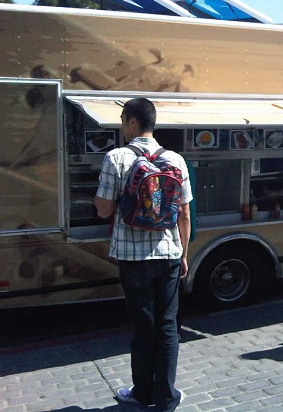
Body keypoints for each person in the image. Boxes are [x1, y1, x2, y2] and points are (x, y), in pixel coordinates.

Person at [94, 98, 193, 411]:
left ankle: (141, 393)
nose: (123, 128)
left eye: (123, 121)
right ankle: (166, 397)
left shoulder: (117, 158)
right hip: (169, 254)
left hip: (133, 257)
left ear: (132, 122)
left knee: (143, 327)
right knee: (167, 327)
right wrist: (184, 255)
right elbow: (185, 215)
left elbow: (103, 210)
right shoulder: (176, 159)